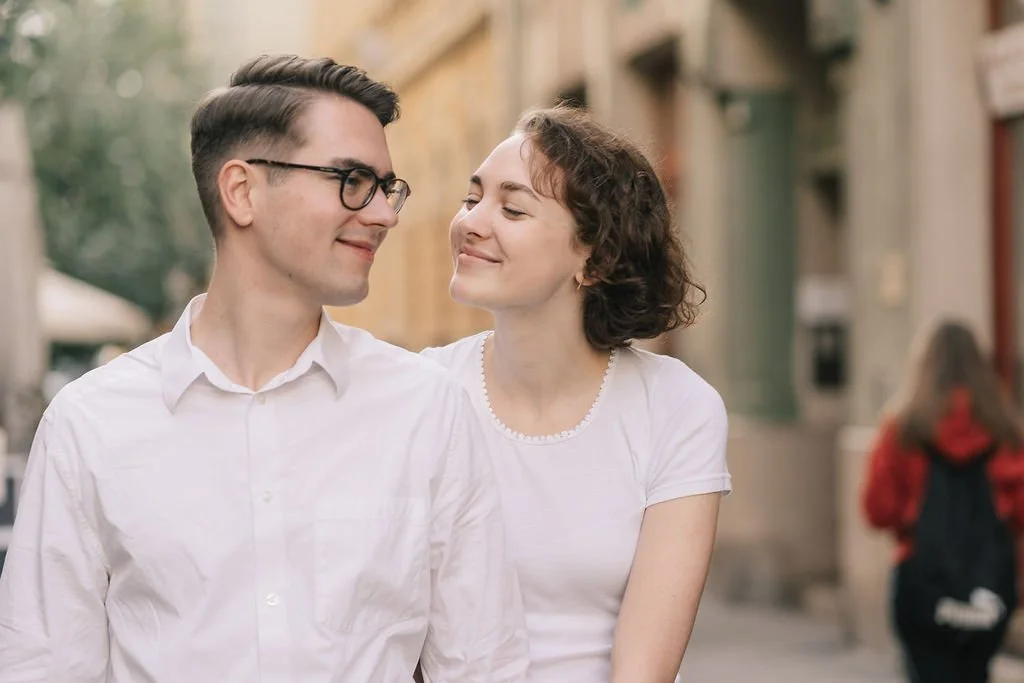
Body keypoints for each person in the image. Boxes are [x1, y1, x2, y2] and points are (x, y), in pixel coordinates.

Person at [0, 55, 528, 683]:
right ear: (242, 191)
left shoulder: (426, 409)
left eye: (387, 187)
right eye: (352, 179)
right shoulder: (89, 426)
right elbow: (42, 665)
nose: (385, 214)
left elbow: (486, 666)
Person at [421, 106, 731, 683]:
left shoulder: (676, 407)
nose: (472, 223)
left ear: (595, 258)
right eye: (472, 199)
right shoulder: (423, 394)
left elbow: (643, 670)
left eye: (512, 208)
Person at [862, 320, 1024, 683]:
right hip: (990, 585)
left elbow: (877, 510)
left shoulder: (903, 428)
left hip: (921, 582)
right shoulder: (1006, 430)